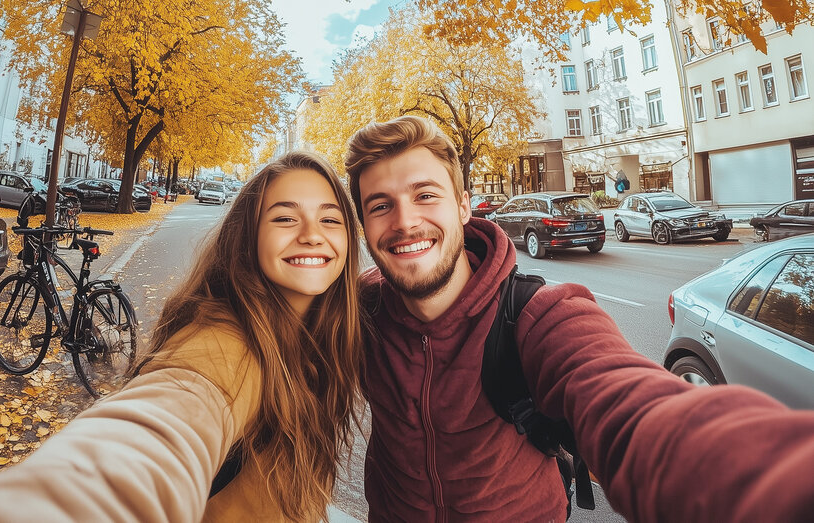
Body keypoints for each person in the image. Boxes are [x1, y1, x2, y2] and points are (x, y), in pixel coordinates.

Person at [346, 115, 814, 522]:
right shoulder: (356, 311)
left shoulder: (538, 314)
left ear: (463, 206)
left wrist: (767, 486)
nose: (405, 221)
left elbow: (633, 406)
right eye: (381, 205)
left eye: (425, 195)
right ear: (364, 225)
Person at [0, 151, 364, 522]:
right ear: (248, 236)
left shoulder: (323, 338)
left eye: (330, 219)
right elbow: (162, 426)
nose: (312, 235)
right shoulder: (224, 343)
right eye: (285, 217)